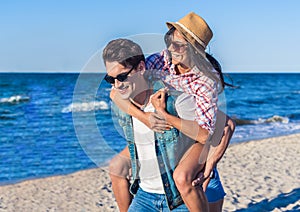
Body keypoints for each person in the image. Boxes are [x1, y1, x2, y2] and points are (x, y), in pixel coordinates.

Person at [108, 12, 235, 211]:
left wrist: (210, 163)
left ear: (195, 50)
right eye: (170, 40)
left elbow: (213, 131)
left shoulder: (205, 81)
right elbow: (127, 81)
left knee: (188, 179)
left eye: (179, 44)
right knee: (117, 167)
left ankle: (210, 175)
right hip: (173, 136)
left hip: (197, 141)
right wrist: (142, 114)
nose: (170, 48)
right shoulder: (161, 60)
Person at [103, 38, 209, 211]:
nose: (117, 85)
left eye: (122, 77)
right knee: (116, 166)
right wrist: (144, 116)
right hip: (145, 195)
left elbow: (206, 136)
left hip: (178, 197)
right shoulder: (121, 105)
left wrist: (206, 168)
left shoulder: (174, 100)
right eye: (110, 79)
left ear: (141, 68)